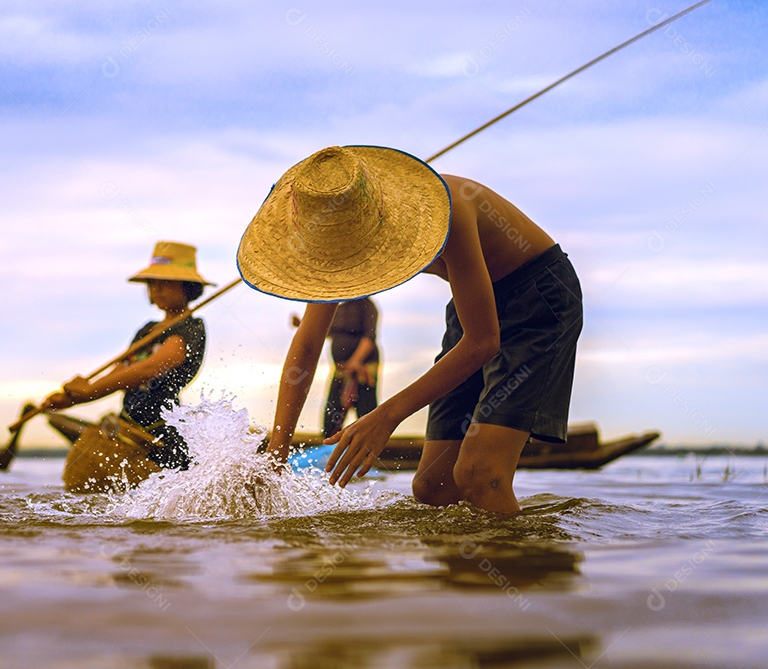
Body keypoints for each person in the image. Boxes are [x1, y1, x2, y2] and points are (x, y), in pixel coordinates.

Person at [237, 146, 582, 514]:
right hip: (472, 308)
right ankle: (469, 569)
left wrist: (386, 416)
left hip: (538, 298)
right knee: (433, 487)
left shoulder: (448, 211)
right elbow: (307, 343)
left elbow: (483, 342)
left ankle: (532, 563)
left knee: (480, 475)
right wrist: (277, 452)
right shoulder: (329, 244)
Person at [39, 241, 212, 470]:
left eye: (165, 282)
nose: (156, 289)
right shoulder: (147, 331)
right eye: (152, 283)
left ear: (187, 287)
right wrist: (75, 398)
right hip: (128, 423)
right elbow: (120, 373)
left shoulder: (190, 328)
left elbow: (149, 368)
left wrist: (89, 390)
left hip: (161, 432)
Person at [292, 297, 381, 438]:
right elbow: (327, 330)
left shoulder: (367, 306)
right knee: (332, 414)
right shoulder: (339, 308)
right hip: (341, 371)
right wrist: (302, 324)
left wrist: (355, 361)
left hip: (362, 370)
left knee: (366, 412)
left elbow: (369, 337)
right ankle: (330, 446)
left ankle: (367, 452)